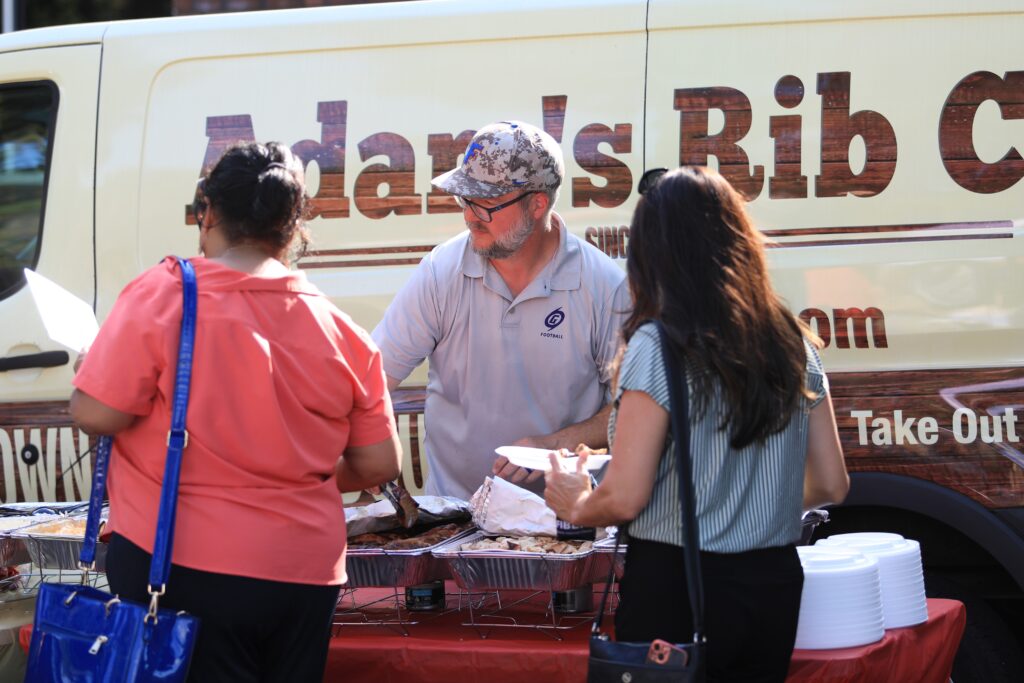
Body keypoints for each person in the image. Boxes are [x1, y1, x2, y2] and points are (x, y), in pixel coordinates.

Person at [70, 142, 401, 682]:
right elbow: (378, 464)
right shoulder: (341, 330)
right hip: (304, 575)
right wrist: (289, 474)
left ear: (208, 213)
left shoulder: (166, 293)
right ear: (294, 228)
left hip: (180, 565)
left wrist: (89, 371)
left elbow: (98, 413)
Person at [544, 166, 850, 682]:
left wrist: (576, 501)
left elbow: (625, 497)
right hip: (771, 585)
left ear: (651, 252)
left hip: (676, 586)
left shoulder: (657, 345)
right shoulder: (792, 341)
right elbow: (831, 484)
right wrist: (745, 508)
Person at [372, 120, 629, 500]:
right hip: (457, 514)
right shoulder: (442, 271)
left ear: (537, 204)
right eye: (465, 199)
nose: (470, 216)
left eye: (487, 204)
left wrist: (552, 445)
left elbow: (633, 408)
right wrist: (358, 448)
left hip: (564, 517)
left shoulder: (605, 287)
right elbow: (373, 376)